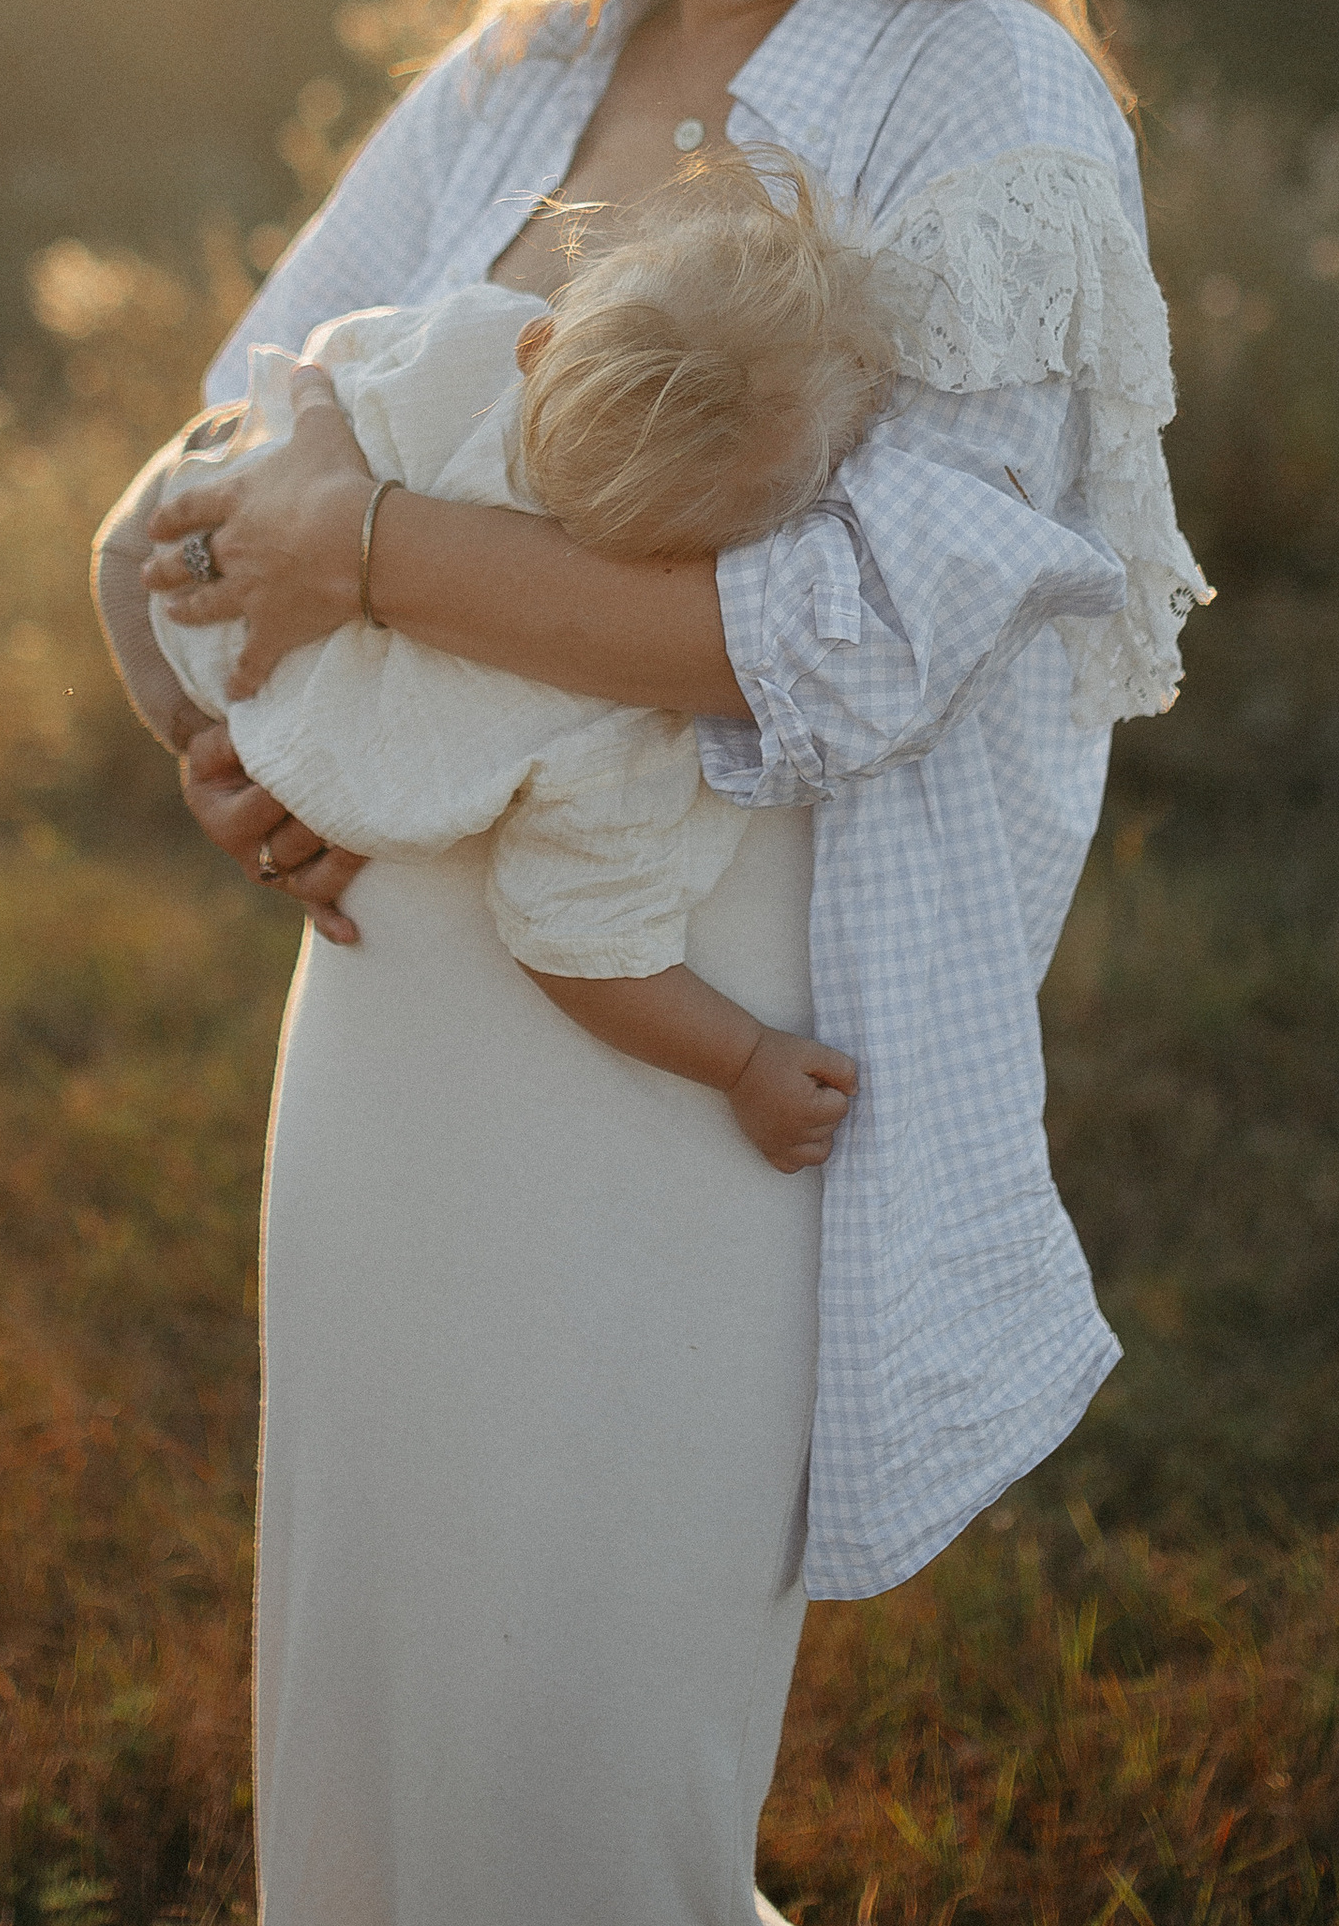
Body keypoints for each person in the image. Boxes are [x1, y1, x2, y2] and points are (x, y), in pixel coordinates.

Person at [121, 0, 1209, 1926]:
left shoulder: (987, 107)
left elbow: (848, 634)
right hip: (391, 1039)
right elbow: (214, 449)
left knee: (590, 1922)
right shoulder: (513, 75)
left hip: (698, 1045)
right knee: (384, 1822)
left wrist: (373, 555)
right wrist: (216, 723)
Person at [95, 162, 914, 1170]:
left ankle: (198, 726)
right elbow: (579, 944)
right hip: (292, 748)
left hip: (192, 590)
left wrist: (312, 406)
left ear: (541, 342)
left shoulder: (474, 350)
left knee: (132, 560)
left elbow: (323, 363)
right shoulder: (631, 713)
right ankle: (212, 728)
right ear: (749, 543)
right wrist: (744, 1060)